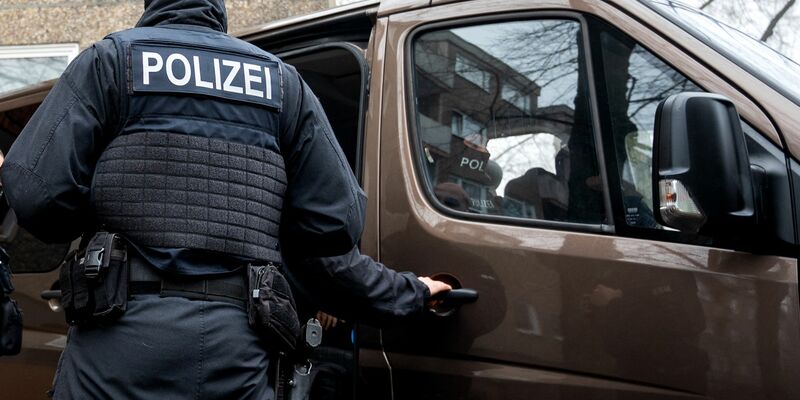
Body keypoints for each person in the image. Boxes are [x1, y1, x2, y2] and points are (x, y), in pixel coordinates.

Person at [0, 0, 450, 398]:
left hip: (117, 341)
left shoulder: (111, 61)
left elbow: (35, 192)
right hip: (238, 347)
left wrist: (101, 212)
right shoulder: (281, 83)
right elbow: (335, 223)